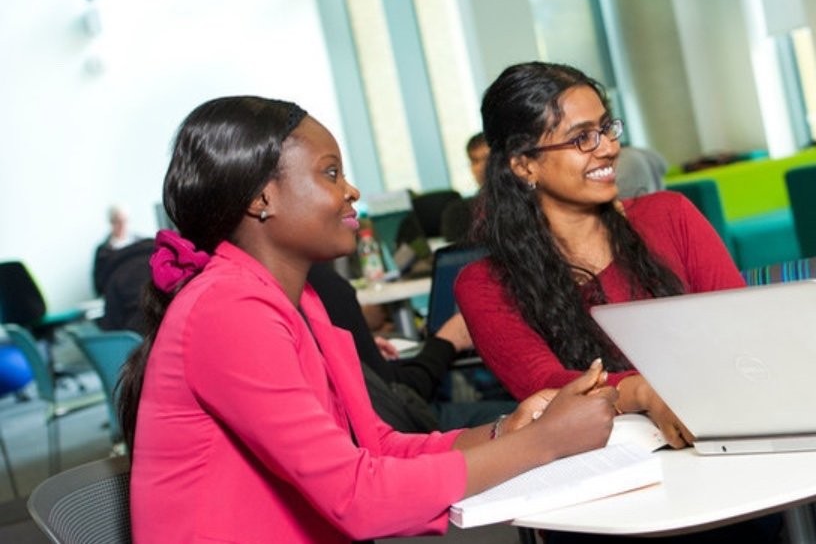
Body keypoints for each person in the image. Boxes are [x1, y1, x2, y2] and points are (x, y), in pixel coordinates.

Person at [116, 96, 617, 543]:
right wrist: (544, 444)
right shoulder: (228, 309)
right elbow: (357, 497)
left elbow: (373, 446)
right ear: (260, 198)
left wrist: (506, 432)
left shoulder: (299, 300)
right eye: (330, 173)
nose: (351, 190)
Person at [455, 62, 745, 449]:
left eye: (606, 128)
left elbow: (739, 327)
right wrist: (643, 393)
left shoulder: (669, 216)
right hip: (606, 470)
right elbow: (546, 384)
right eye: (581, 139)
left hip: (722, 431)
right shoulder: (485, 284)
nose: (608, 147)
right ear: (524, 165)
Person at [306, 261, 515, 432]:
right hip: (403, 428)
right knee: (522, 415)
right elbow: (403, 397)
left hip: (380, 427)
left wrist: (365, 350)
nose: (352, 208)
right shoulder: (321, 285)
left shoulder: (303, 288)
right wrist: (447, 341)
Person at [441, 132, 490, 242]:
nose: (481, 167)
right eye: (475, 161)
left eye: (487, 158)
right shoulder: (460, 213)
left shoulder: (522, 202)